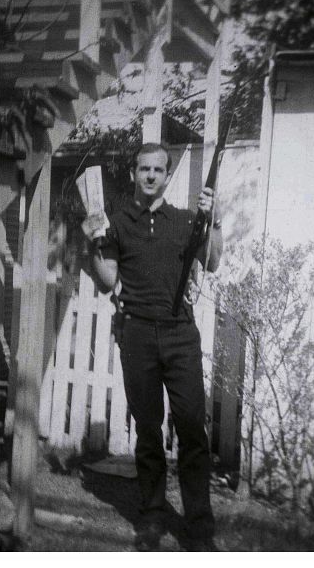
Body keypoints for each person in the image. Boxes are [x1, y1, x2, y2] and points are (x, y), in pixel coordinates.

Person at [84, 142, 223, 551]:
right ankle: (151, 518)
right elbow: (108, 279)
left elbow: (212, 262)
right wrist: (94, 243)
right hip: (138, 333)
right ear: (133, 173)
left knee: (192, 431)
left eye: (157, 170)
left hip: (181, 335)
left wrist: (215, 222)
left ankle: (198, 527)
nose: (149, 176)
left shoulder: (184, 220)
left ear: (166, 175)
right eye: (143, 168)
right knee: (147, 430)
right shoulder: (118, 222)